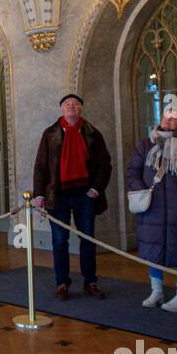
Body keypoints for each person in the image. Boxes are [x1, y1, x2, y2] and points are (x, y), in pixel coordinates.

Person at [32, 93, 112, 300]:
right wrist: (39, 193)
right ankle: (62, 283)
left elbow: (105, 164)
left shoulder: (93, 133)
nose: (71, 107)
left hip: (85, 195)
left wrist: (96, 189)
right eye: (67, 104)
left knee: (87, 239)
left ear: (81, 110)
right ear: (61, 109)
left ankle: (90, 281)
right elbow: (41, 166)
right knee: (59, 240)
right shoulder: (50, 134)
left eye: (75, 104)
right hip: (57, 196)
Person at [125, 109, 177, 312]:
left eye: (174, 118)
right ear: (161, 120)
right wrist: (142, 192)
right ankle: (157, 291)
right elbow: (132, 172)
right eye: (167, 117)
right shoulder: (145, 145)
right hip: (152, 208)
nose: (170, 121)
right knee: (154, 249)